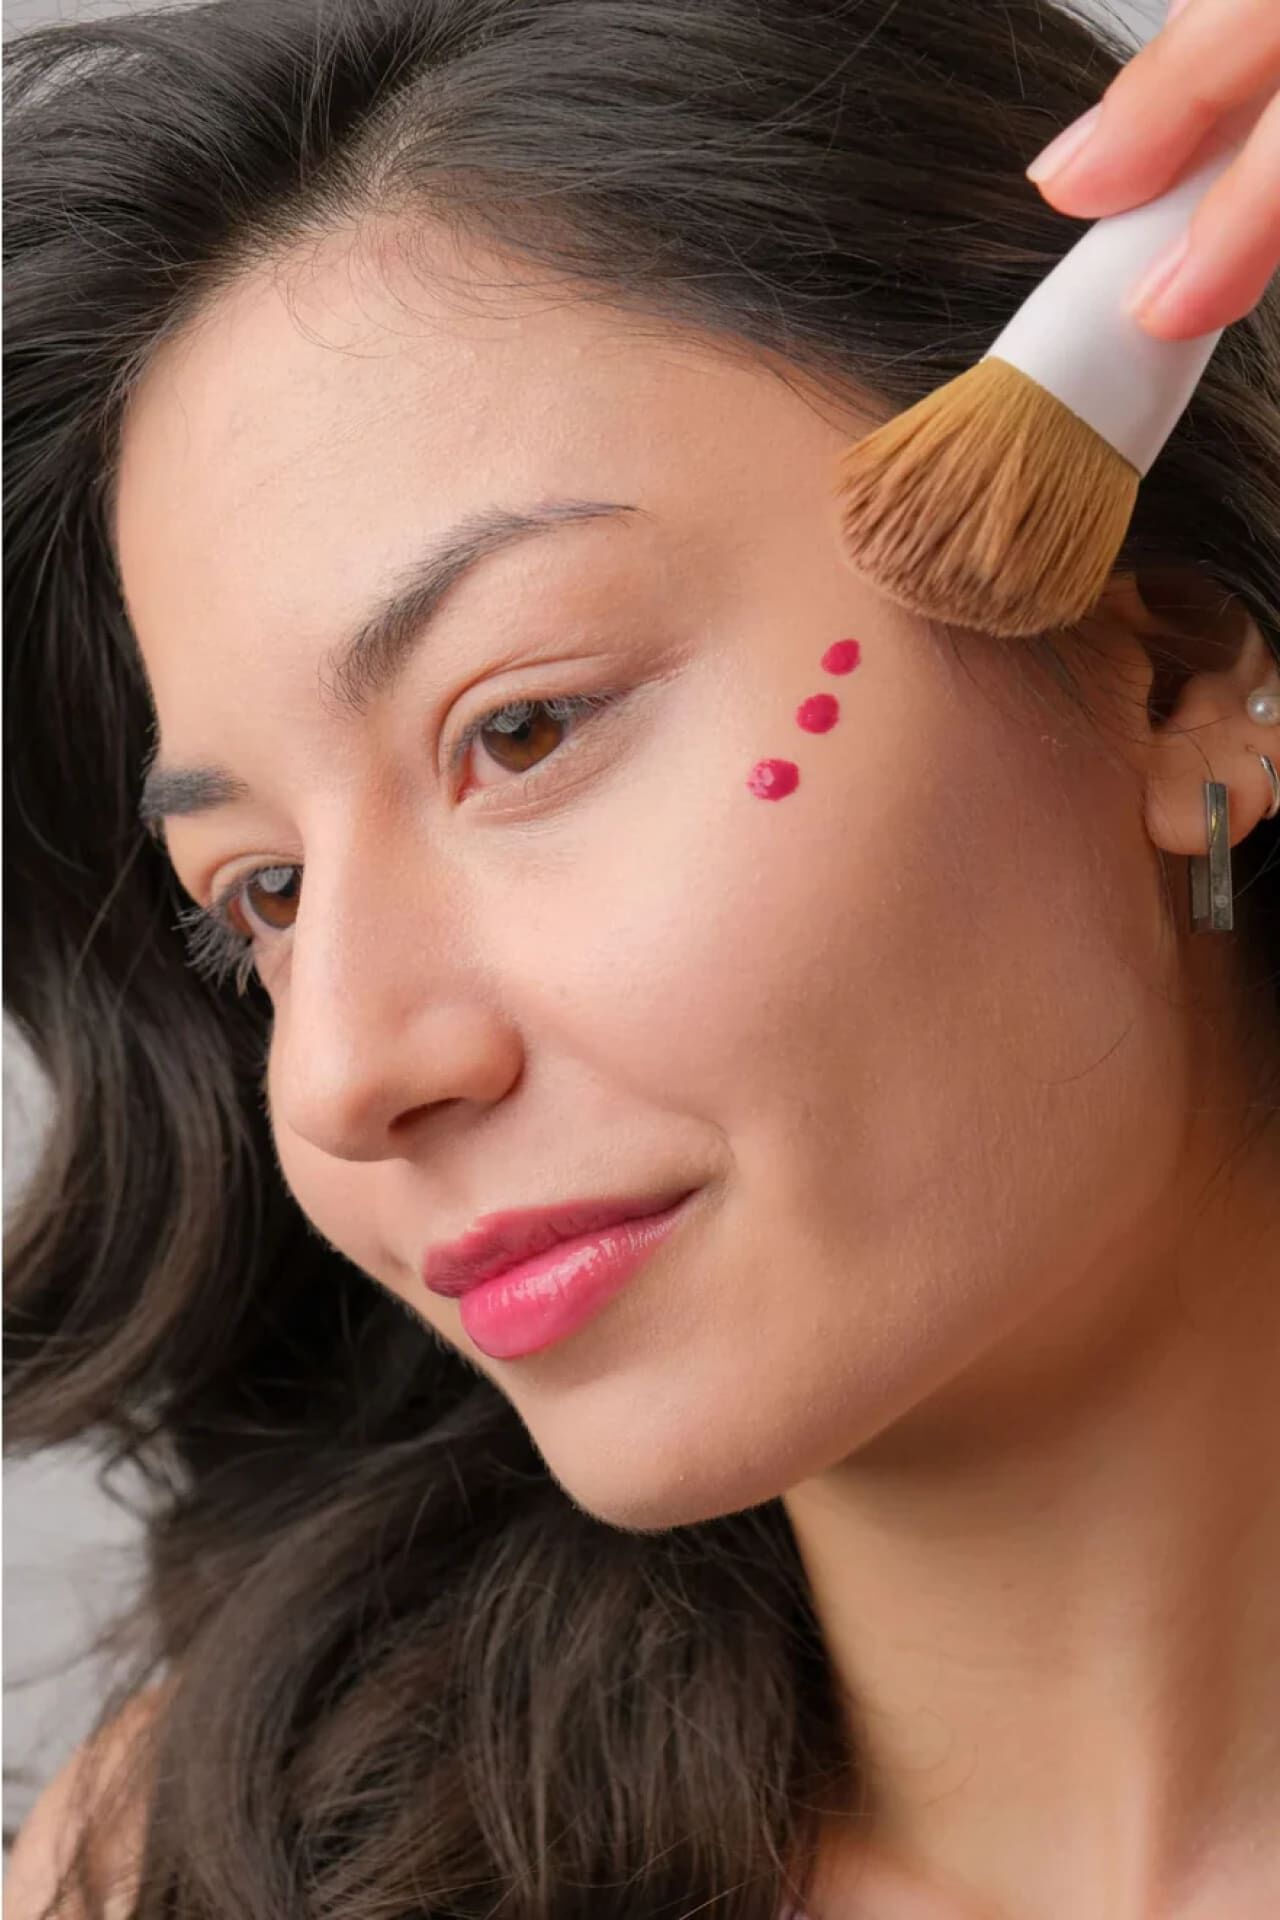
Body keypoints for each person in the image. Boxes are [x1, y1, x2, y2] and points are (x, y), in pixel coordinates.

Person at [3, 2, 1278, 1917]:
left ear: (1170, 680)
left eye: (520, 731)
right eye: (259, 894)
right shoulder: (214, 1867)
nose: (344, 1070)